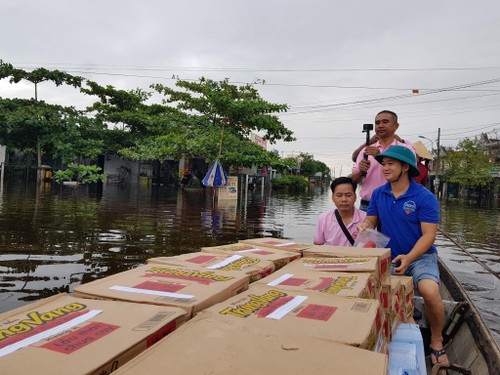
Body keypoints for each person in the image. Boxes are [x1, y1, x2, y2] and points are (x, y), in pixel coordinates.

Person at [357, 145, 448, 368]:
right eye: (383, 164)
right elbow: (372, 219)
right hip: (389, 256)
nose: (385, 168)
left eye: (390, 164)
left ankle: (436, 339)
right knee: (371, 291)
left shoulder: (424, 197)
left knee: (429, 290)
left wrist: (409, 258)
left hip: (420, 256)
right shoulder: (379, 193)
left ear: (405, 167)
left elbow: (429, 236)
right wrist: (365, 225)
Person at [351, 110, 415, 211]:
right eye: (377, 123)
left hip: (397, 204)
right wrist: (361, 172)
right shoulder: (365, 150)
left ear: (396, 126)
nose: (380, 125)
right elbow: (354, 179)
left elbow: (409, 173)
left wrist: (380, 156)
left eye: (385, 122)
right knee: (366, 227)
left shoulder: (406, 149)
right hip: (368, 205)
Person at [313, 177, 366, 246]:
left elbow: (371, 246)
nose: (344, 199)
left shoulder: (366, 219)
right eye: (339, 195)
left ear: (355, 197)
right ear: (332, 197)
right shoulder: (324, 218)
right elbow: (317, 244)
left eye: (348, 195)